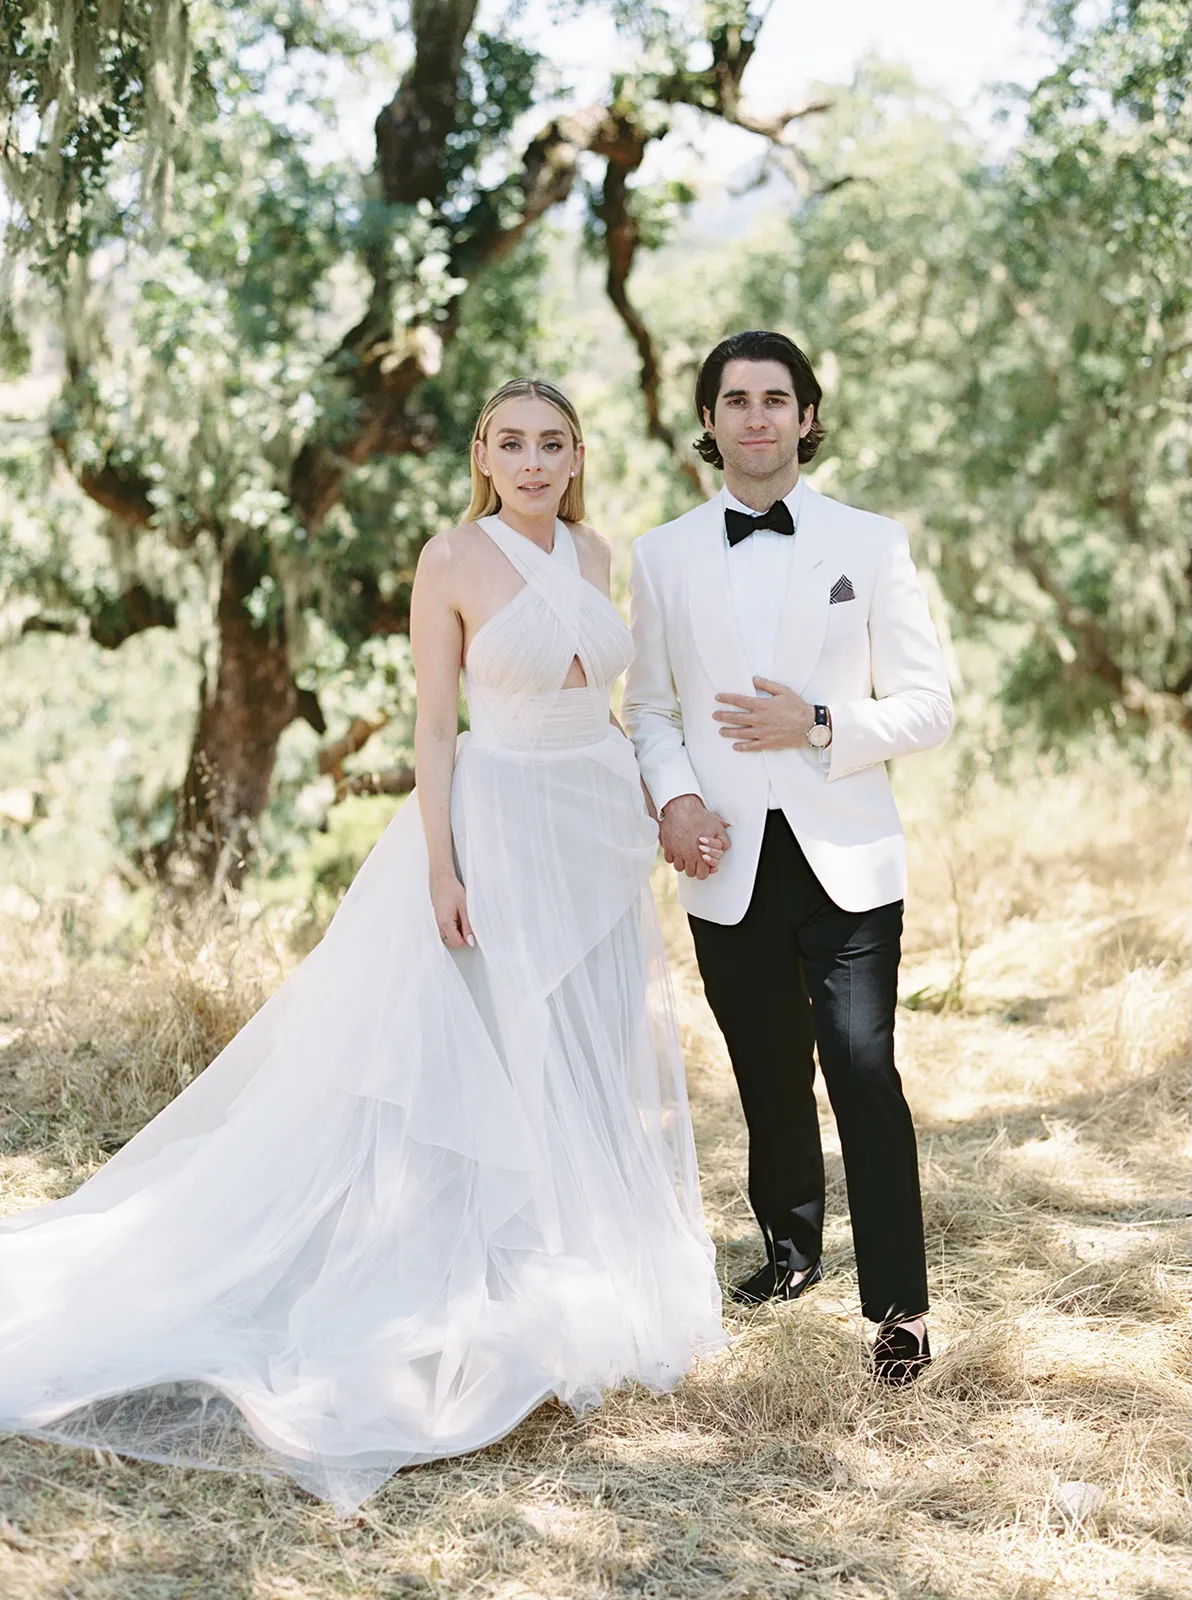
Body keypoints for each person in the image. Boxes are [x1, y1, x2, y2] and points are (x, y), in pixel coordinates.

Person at [0, 379, 725, 1514]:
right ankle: (473, 1269)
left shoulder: (596, 552)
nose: (532, 461)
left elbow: (621, 708)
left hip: (593, 831)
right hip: (497, 824)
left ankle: (566, 1259)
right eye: (510, 443)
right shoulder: (454, 557)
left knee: (584, 1044)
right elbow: (436, 724)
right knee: (491, 1046)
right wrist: (442, 863)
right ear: (483, 455)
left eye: (552, 443)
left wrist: (655, 805)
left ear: (578, 454)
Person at [623, 330, 954, 1384]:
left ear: (806, 416)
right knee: (766, 1071)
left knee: (862, 1069)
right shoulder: (663, 553)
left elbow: (928, 706)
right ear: (709, 422)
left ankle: (898, 1308)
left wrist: (816, 723)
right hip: (723, 853)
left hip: (847, 852)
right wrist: (674, 800)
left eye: (776, 398)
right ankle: (788, 1250)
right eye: (735, 399)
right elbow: (652, 710)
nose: (756, 415)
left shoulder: (874, 542)